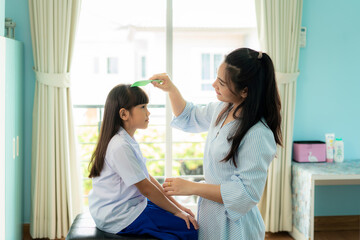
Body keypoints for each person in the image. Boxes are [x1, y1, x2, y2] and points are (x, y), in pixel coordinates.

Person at [150, 47, 282, 240]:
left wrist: (192, 187)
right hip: (212, 217)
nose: (214, 85)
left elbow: (245, 194)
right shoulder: (222, 109)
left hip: (236, 226)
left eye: (221, 83)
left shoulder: (258, 134)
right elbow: (189, 115)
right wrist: (170, 88)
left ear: (245, 91)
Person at [88, 84, 198, 240]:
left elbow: (146, 178)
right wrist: (176, 212)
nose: (148, 112)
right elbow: (146, 188)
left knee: (185, 220)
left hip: (130, 206)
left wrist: (179, 207)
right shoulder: (120, 146)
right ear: (124, 114)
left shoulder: (126, 139)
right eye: (142, 107)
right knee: (189, 229)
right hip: (119, 216)